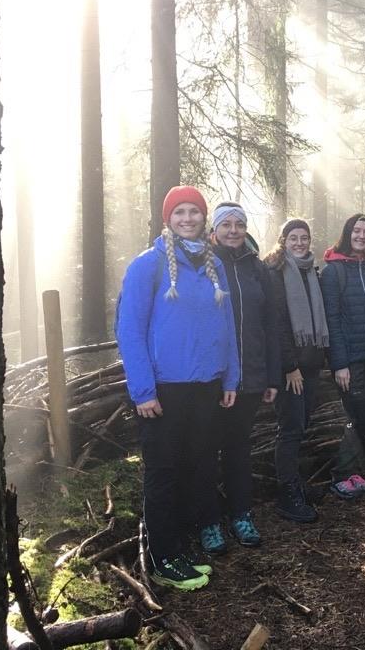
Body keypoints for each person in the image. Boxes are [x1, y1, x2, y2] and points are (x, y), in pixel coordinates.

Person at [115, 185, 239, 591]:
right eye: (180, 212)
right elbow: (129, 331)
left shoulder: (213, 266)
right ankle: (163, 558)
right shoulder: (147, 266)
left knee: (197, 463)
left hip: (206, 387)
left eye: (195, 212)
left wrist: (230, 376)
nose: (188, 219)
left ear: (205, 219)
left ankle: (180, 545)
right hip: (163, 391)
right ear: (167, 218)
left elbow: (227, 326)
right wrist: (143, 390)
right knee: (163, 472)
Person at [199, 202, 280, 554]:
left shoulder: (257, 269)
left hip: (249, 379)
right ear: (213, 230)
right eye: (226, 224)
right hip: (209, 380)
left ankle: (241, 515)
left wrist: (271, 376)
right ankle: (207, 522)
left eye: (239, 224)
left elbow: (271, 324)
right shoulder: (201, 265)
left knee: (238, 449)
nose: (233, 230)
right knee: (203, 450)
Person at [263, 218, 329, 522]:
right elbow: (277, 324)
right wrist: (290, 366)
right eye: (293, 238)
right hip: (291, 369)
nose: (300, 243)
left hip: (311, 365)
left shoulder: (311, 272)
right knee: (289, 429)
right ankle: (286, 495)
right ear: (284, 241)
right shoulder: (276, 273)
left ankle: (296, 484)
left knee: (300, 426)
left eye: (304, 237)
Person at [321, 214, 365, 500]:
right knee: (357, 415)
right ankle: (340, 476)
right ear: (347, 234)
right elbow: (331, 319)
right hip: (350, 359)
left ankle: (354, 472)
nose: (361, 236)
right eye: (356, 231)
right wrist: (340, 363)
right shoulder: (333, 271)